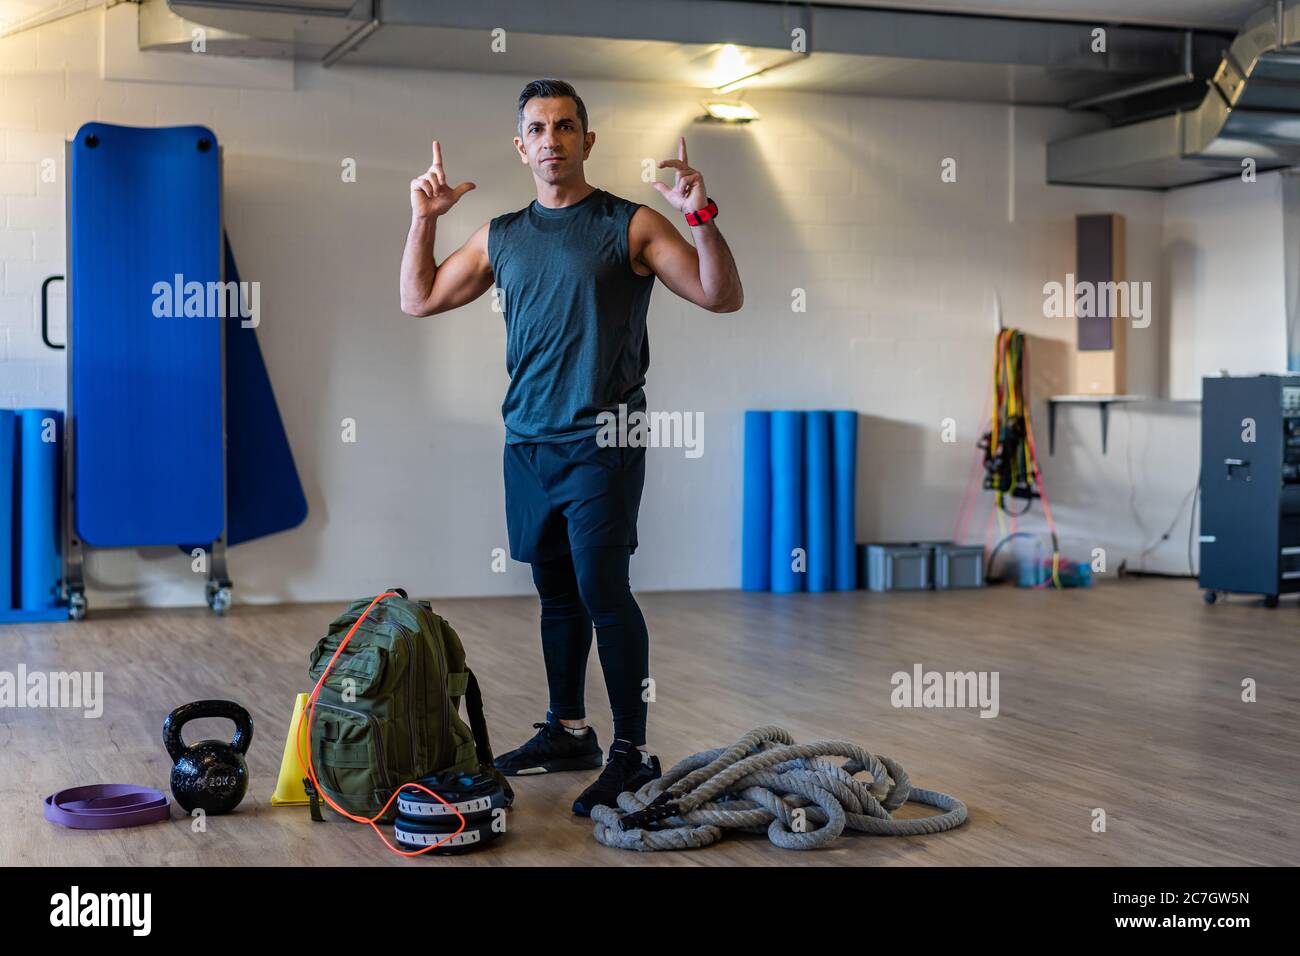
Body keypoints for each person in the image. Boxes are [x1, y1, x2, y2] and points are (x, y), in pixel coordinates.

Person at [399, 78, 743, 815]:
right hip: (528, 442)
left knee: (602, 590)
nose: (551, 139)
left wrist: (701, 218)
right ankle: (568, 729)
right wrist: (423, 220)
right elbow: (418, 296)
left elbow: (721, 295)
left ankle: (632, 751)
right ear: (520, 146)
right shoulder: (502, 234)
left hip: (602, 440)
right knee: (556, 594)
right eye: (537, 128)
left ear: (587, 141)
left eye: (565, 126)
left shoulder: (631, 224)